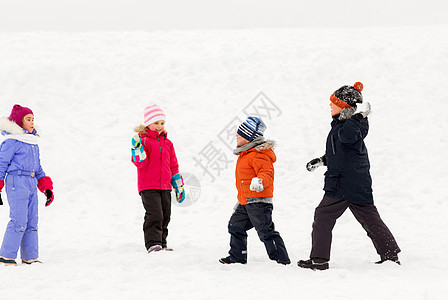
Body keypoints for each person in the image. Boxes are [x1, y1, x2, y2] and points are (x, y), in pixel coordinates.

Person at [297, 82, 401, 270]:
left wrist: (356, 116)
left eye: (334, 102)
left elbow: (346, 137)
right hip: (354, 183)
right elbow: (341, 154)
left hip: (344, 184)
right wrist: (322, 161)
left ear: (345, 106)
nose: (330, 105)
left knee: (323, 215)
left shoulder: (351, 126)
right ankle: (390, 255)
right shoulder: (342, 125)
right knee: (370, 218)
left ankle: (319, 260)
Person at [220, 116, 290, 265]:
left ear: (250, 137)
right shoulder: (245, 154)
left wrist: (259, 181)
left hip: (259, 201)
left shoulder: (259, 154)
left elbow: (267, 174)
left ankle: (281, 259)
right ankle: (237, 257)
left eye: (241, 134)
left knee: (265, 231)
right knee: (235, 226)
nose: (236, 136)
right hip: (245, 201)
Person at [0, 104, 54, 266]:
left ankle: (30, 256)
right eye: (28, 119)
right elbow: (1, 164)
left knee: (32, 220)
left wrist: (46, 187)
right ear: (18, 122)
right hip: (17, 181)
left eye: (33, 119)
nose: (32, 122)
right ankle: (6, 256)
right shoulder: (12, 142)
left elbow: (37, 168)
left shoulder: (32, 142)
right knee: (19, 220)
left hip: (30, 181)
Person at [131, 104, 185, 253]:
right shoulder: (143, 140)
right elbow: (140, 163)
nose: (159, 126)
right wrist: (137, 149)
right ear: (147, 123)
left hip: (165, 186)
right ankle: (153, 244)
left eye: (162, 123)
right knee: (155, 214)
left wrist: (178, 185)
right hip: (148, 186)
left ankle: (162, 243)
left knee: (165, 215)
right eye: (156, 123)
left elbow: (174, 166)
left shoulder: (168, 143)